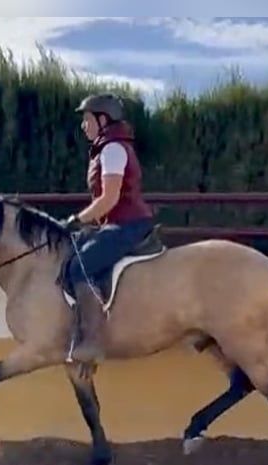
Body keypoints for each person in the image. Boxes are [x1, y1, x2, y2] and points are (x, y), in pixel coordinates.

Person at [62, 92, 155, 364]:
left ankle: (92, 341)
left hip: (128, 224)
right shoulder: (108, 147)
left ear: (103, 119)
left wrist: (77, 219)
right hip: (116, 223)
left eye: (87, 119)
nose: (83, 125)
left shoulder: (113, 150)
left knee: (80, 267)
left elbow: (109, 199)